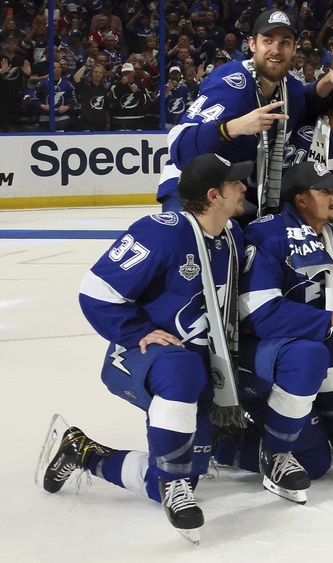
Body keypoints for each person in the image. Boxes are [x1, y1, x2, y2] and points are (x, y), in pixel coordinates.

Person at [40, 153, 252, 543]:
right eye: (235, 182)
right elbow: (96, 292)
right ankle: (174, 481)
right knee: (183, 370)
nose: (243, 187)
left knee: (180, 475)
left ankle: (84, 453)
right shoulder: (162, 231)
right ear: (213, 195)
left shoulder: (232, 236)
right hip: (146, 358)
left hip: (201, 367)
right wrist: (137, 331)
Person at [238, 160, 333, 503]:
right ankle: (266, 451)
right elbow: (260, 313)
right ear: (301, 200)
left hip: (305, 355)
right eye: (325, 190)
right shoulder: (267, 234)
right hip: (259, 355)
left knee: (316, 461)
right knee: (315, 347)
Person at [160, 8, 333, 215]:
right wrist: (233, 127)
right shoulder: (231, 83)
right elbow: (179, 146)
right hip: (191, 188)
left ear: (294, 49)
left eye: (285, 42)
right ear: (253, 44)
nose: (276, 49)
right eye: (268, 40)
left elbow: (307, 103)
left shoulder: (289, 87)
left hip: (240, 194)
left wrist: (332, 81)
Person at [108, 62, 155, 129]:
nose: (127, 74)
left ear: (133, 73)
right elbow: (111, 100)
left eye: (129, 72)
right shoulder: (116, 84)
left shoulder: (140, 84)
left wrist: (137, 92)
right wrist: (121, 85)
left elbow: (147, 100)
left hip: (137, 121)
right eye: (125, 72)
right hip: (119, 122)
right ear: (122, 73)